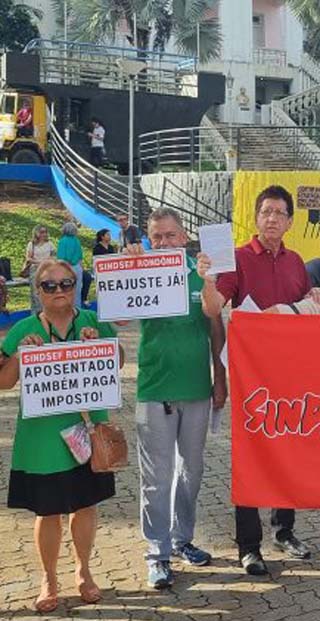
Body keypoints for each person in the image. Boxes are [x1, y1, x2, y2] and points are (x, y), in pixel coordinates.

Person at [198, 185, 312, 576]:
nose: (272, 219)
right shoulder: (237, 259)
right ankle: (249, 545)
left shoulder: (298, 262)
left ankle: (285, 530)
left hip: (290, 376)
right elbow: (213, 309)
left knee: (289, 454)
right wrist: (208, 280)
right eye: (266, 211)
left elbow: (306, 313)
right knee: (250, 459)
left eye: (280, 213)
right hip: (250, 379)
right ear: (256, 216)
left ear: (290, 221)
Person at [0, 259, 122, 612]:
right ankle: (48, 578)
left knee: (85, 506)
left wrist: (101, 344)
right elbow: (4, 381)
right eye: (50, 285)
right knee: (48, 511)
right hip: (43, 437)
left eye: (66, 283)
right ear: (38, 291)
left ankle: (84, 571)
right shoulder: (23, 329)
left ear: (75, 285)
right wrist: (23, 357)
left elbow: (118, 359)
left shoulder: (93, 322)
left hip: (87, 430)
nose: (59, 291)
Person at [125, 209, 227, 589]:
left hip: (196, 389)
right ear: (150, 239)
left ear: (184, 237)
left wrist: (220, 379)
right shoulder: (140, 269)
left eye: (171, 235)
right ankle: (157, 552)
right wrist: (127, 267)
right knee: (156, 477)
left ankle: (183, 539)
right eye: (158, 236)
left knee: (192, 472)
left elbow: (214, 316)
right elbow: (117, 319)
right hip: (154, 388)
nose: (164, 242)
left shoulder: (199, 271)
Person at [24, 225, 55, 313]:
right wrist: (40, 262)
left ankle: (47, 312)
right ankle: (36, 314)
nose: (44, 234)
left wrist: (49, 261)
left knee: (48, 291)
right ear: (36, 233)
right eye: (41, 232)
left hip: (48, 270)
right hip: (35, 270)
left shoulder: (50, 244)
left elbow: (53, 256)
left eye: (45, 232)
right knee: (36, 294)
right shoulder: (31, 244)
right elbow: (28, 258)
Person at [56, 222, 83, 308]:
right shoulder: (77, 240)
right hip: (77, 267)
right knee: (77, 291)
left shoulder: (62, 241)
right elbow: (80, 256)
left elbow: (61, 258)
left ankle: (66, 310)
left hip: (66, 268)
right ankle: (77, 309)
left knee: (66, 291)